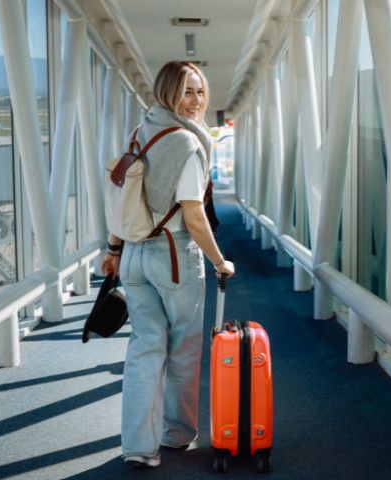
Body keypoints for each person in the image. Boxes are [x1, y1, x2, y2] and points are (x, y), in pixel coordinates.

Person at [101, 60, 235, 468]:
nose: (195, 101)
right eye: (186, 91)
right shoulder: (188, 144)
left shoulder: (140, 133)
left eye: (199, 91)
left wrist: (114, 248)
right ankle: (176, 435)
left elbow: (126, 200)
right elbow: (193, 216)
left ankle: (139, 447)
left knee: (143, 348)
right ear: (167, 93)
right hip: (174, 256)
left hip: (136, 257)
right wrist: (219, 261)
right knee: (183, 349)